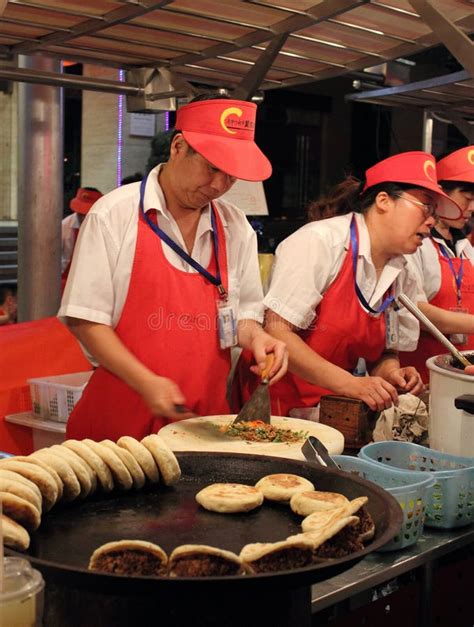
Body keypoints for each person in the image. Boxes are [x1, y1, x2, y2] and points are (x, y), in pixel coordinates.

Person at [59, 96, 288, 441]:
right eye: (212, 168)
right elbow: (86, 321)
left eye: (232, 176)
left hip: (202, 423)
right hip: (119, 424)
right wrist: (146, 382)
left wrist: (259, 338)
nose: (219, 185)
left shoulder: (235, 226)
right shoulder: (115, 215)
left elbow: (242, 316)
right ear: (179, 147)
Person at [239, 152, 461, 416]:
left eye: (434, 213)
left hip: (333, 411)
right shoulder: (321, 243)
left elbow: (384, 350)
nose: (432, 220)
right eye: (425, 206)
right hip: (273, 405)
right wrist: (351, 384)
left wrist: (392, 373)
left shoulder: (403, 270)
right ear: (383, 201)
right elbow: (277, 330)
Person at [399, 146, 474, 382]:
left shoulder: (465, 246)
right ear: (442, 195)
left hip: (464, 366)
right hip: (422, 370)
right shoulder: (416, 243)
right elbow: (415, 307)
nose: (472, 209)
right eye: (468, 199)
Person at [61, 187, 103, 290]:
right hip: (65, 279)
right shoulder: (64, 226)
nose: (83, 217)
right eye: (80, 213)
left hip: (92, 280)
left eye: (86, 213)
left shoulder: (103, 226)